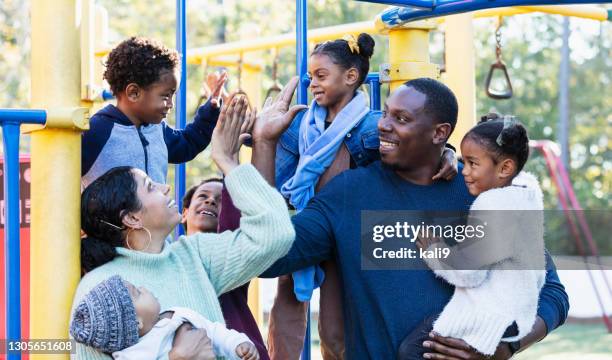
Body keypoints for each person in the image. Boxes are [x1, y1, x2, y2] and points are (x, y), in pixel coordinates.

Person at [250, 77, 569, 359]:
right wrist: (264, 143)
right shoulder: (348, 193)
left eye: (401, 118)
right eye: (386, 113)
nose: (383, 125)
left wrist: (505, 346)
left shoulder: (482, 195)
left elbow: (551, 292)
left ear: (439, 133)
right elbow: (266, 256)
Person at [263, 33, 457, 360]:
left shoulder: (371, 126)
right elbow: (274, 187)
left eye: (321, 76)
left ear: (351, 77)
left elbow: (419, 152)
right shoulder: (297, 126)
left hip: (349, 233)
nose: (313, 84)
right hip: (311, 223)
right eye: (311, 77)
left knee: (335, 333)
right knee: (287, 306)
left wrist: (447, 153)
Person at [73, 96, 295, 360]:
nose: (165, 187)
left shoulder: (195, 255)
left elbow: (276, 234)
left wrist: (228, 161)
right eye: (150, 186)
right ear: (131, 218)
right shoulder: (100, 288)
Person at [397, 115, 546, 359]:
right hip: (520, 310)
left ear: (505, 168)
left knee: (413, 351)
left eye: (473, 163)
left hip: (491, 315)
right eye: (462, 161)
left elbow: (469, 273)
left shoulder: (493, 203)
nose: (463, 171)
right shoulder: (526, 194)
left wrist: (434, 250)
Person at [81, 36, 228, 188]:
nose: (171, 104)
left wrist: (211, 110)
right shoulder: (97, 131)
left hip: (155, 212)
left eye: (173, 96)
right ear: (134, 93)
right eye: (166, 96)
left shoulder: (157, 130)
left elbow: (188, 143)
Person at [182, 179, 271, 360]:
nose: (211, 201)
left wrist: (228, 165)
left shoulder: (233, 254)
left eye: (221, 199)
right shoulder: (169, 257)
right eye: (202, 196)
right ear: (184, 213)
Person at [70, 275, 259, 360]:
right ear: (136, 323)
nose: (144, 288)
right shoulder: (133, 355)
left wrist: (237, 345)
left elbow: (214, 331)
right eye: (137, 292)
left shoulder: (180, 314)